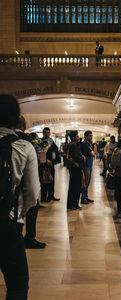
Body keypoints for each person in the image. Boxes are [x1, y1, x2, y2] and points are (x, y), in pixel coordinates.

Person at [0, 94, 40, 299]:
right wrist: (22, 212)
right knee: (17, 284)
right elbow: (33, 192)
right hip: (7, 223)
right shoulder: (24, 147)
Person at [15, 116, 46, 249]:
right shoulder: (27, 142)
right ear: (23, 126)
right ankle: (29, 237)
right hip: (22, 185)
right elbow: (32, 188)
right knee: (30, 210)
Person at [41, 127, 61, 202]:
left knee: (52, 180)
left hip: (52, 164)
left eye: (48, 132)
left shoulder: (51, 141)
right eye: (45, 132)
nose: (47, 134)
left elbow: (55, 148)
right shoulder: (41, 141)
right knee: (45, 181)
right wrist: (46, 161)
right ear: (43, 133)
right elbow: (40, 153)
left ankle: (51, 195)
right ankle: (43, 197)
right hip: (44, 164)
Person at [66, 131, 85, 210]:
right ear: (73, 138)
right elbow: (76, 157)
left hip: (73, 168)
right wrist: (82, 158)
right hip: (75, 168)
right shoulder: (74, 146)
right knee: (76, 187)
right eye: (77, 136)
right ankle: (74, 204)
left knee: (73, 186)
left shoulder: (72, 145)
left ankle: (72, 204)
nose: (78, 138)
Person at [81, 131, 94, 204]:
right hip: (86, 165)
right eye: (89, 136)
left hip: (89, 164)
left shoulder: (89, 144)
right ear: (86, 136)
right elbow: (92, 153)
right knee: (85, 182)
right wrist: (94, 148)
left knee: (88, 182)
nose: (91, 137)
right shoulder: (85, 144)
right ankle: (83, 198)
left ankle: (86, 196)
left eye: (91, 136)